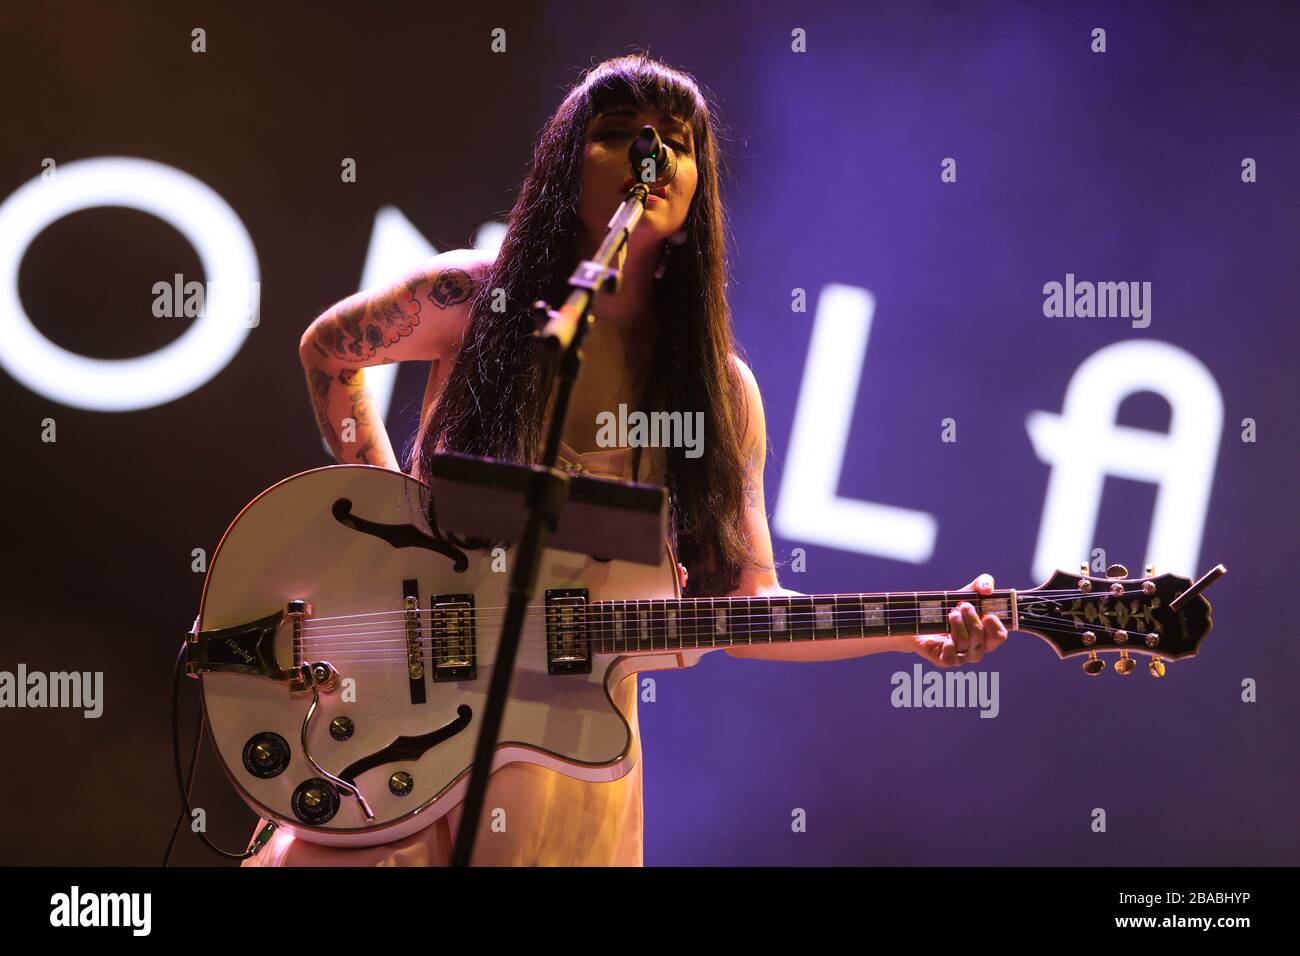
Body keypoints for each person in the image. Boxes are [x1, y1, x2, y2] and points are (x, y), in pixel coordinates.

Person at [245, 53, 1007, 868]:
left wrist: (910, 636)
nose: (652, 154)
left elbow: (750, 605)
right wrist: (387, 524)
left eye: (677, 142)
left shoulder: (720, 394)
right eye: (617, 134)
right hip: (409, 720)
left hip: (573, 753)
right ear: (566, 162)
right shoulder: (475, 299)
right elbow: (330, 352)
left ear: (697, 185)